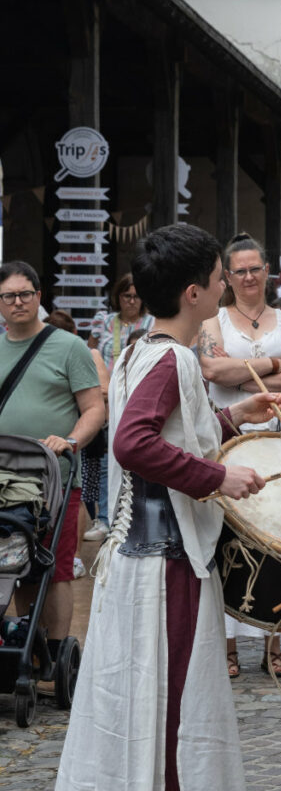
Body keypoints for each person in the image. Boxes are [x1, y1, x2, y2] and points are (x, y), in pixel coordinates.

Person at [46, 223, 281, 791]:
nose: (224, 285)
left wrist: (232, 419)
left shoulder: (141, 350)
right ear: (194, 292)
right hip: (162, 565)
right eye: (217, 277)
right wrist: (216, 476)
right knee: (168, 709)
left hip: (152, 557)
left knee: (178, 704)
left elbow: (167, 428)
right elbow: (132, 443)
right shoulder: (172, 359)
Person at [198, 232, 281, 680]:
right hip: (228, 437)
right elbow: (212, 369)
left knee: (277, 540)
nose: (248, 277)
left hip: (278, 439)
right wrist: (271, 367)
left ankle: (273, 642)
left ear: (268, 272)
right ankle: (226, 647)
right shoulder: (213, 320)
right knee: (228, 541)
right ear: (227, 277)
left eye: (255, 268)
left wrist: (245, 374)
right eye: (238, 270)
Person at [0, 262, 105, 655]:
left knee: (56, 569)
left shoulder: (68, 346)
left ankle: (57, 651)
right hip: (4, 481)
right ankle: (31, 648)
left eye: (25, 294)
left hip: (54, 478)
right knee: (16, 568)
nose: (17, 302)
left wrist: (71, 440)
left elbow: (94, 409)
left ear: (39, 296)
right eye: (8, 296)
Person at [81, 274, 153, 543]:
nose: (131, 301)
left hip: (140, 398)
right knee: (104, 461)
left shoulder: (152, 322)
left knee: (136, 459)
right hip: (106, 400)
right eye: (126, 296)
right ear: (118, 297)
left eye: (136, 296)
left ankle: (132, 517)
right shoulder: (105, 321)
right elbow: (89, 355)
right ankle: (103, 519)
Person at [44, 310, 110, 572]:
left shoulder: (87, 352)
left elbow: (104, 391)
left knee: (79, 493)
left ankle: (75, 556)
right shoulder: (44, 353)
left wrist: (75, 387)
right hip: (50, 440)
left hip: (80, 435)